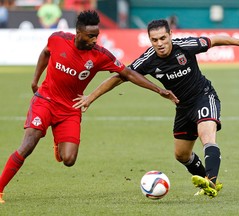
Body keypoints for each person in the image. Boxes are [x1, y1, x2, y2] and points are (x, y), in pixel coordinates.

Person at [0, 12, 178, 204]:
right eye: (90, 36)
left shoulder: (100, 55)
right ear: (78, 33)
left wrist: (159, 90)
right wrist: (35, 80)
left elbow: (128, 73)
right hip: (45, 100)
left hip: (70, 109)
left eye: (97, 36)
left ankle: (58, 142)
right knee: (28, 145)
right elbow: (45, 52)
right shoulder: (58, 39)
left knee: (68, 159)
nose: (95, 40)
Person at [72, 19, 239, 197]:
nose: (160, 43)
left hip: (203, 96)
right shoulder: (149, 59)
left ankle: (211, 181)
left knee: (207, 137)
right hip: (182, 107)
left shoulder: (185, 46)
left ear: (170, 34)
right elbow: (120, 76)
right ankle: (206, 180)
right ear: (150, 40)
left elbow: (213, 40)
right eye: (154, 40)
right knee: (181, 155)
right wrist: (91, 97)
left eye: (163, 38)